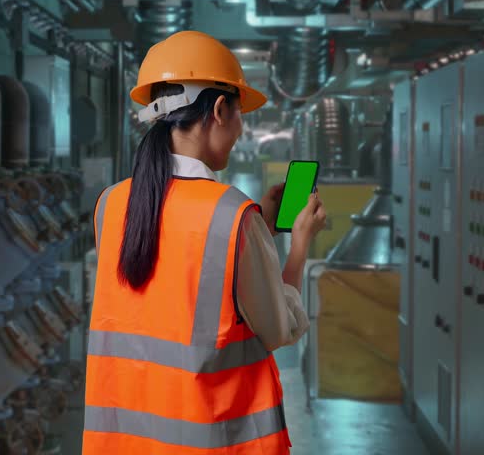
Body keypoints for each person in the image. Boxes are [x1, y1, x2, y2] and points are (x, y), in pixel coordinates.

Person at [83, 31, 327, 454]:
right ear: (218, 110)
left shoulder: (112, 203)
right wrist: (299, 244)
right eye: (239, 112)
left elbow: (173, 272)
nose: (240, 129)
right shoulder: (232, 215)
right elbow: (279, 327)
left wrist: (260, 233)